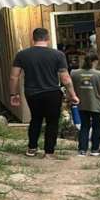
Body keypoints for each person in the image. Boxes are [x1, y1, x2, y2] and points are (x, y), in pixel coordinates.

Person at [9, 28, 79, 158]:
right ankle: (48, 152)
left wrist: (14, 95)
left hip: (32, 93)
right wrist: (72, 94)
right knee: (52, 122)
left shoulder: (22, 55)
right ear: (48, 38)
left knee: (36, 119)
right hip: (52, 93)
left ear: (33, 39)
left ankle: (32, 148)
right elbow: (65, 79)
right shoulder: (58, 55)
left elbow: (14, 77)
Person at [70, 52, 100, 156]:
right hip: (97, 105)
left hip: (82, 105)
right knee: (97, 127)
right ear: (95, 62)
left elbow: (70, 86)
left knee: (84, 126)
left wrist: (71, 98)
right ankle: (95, 149)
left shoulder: (75, 73)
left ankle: (82, 150)